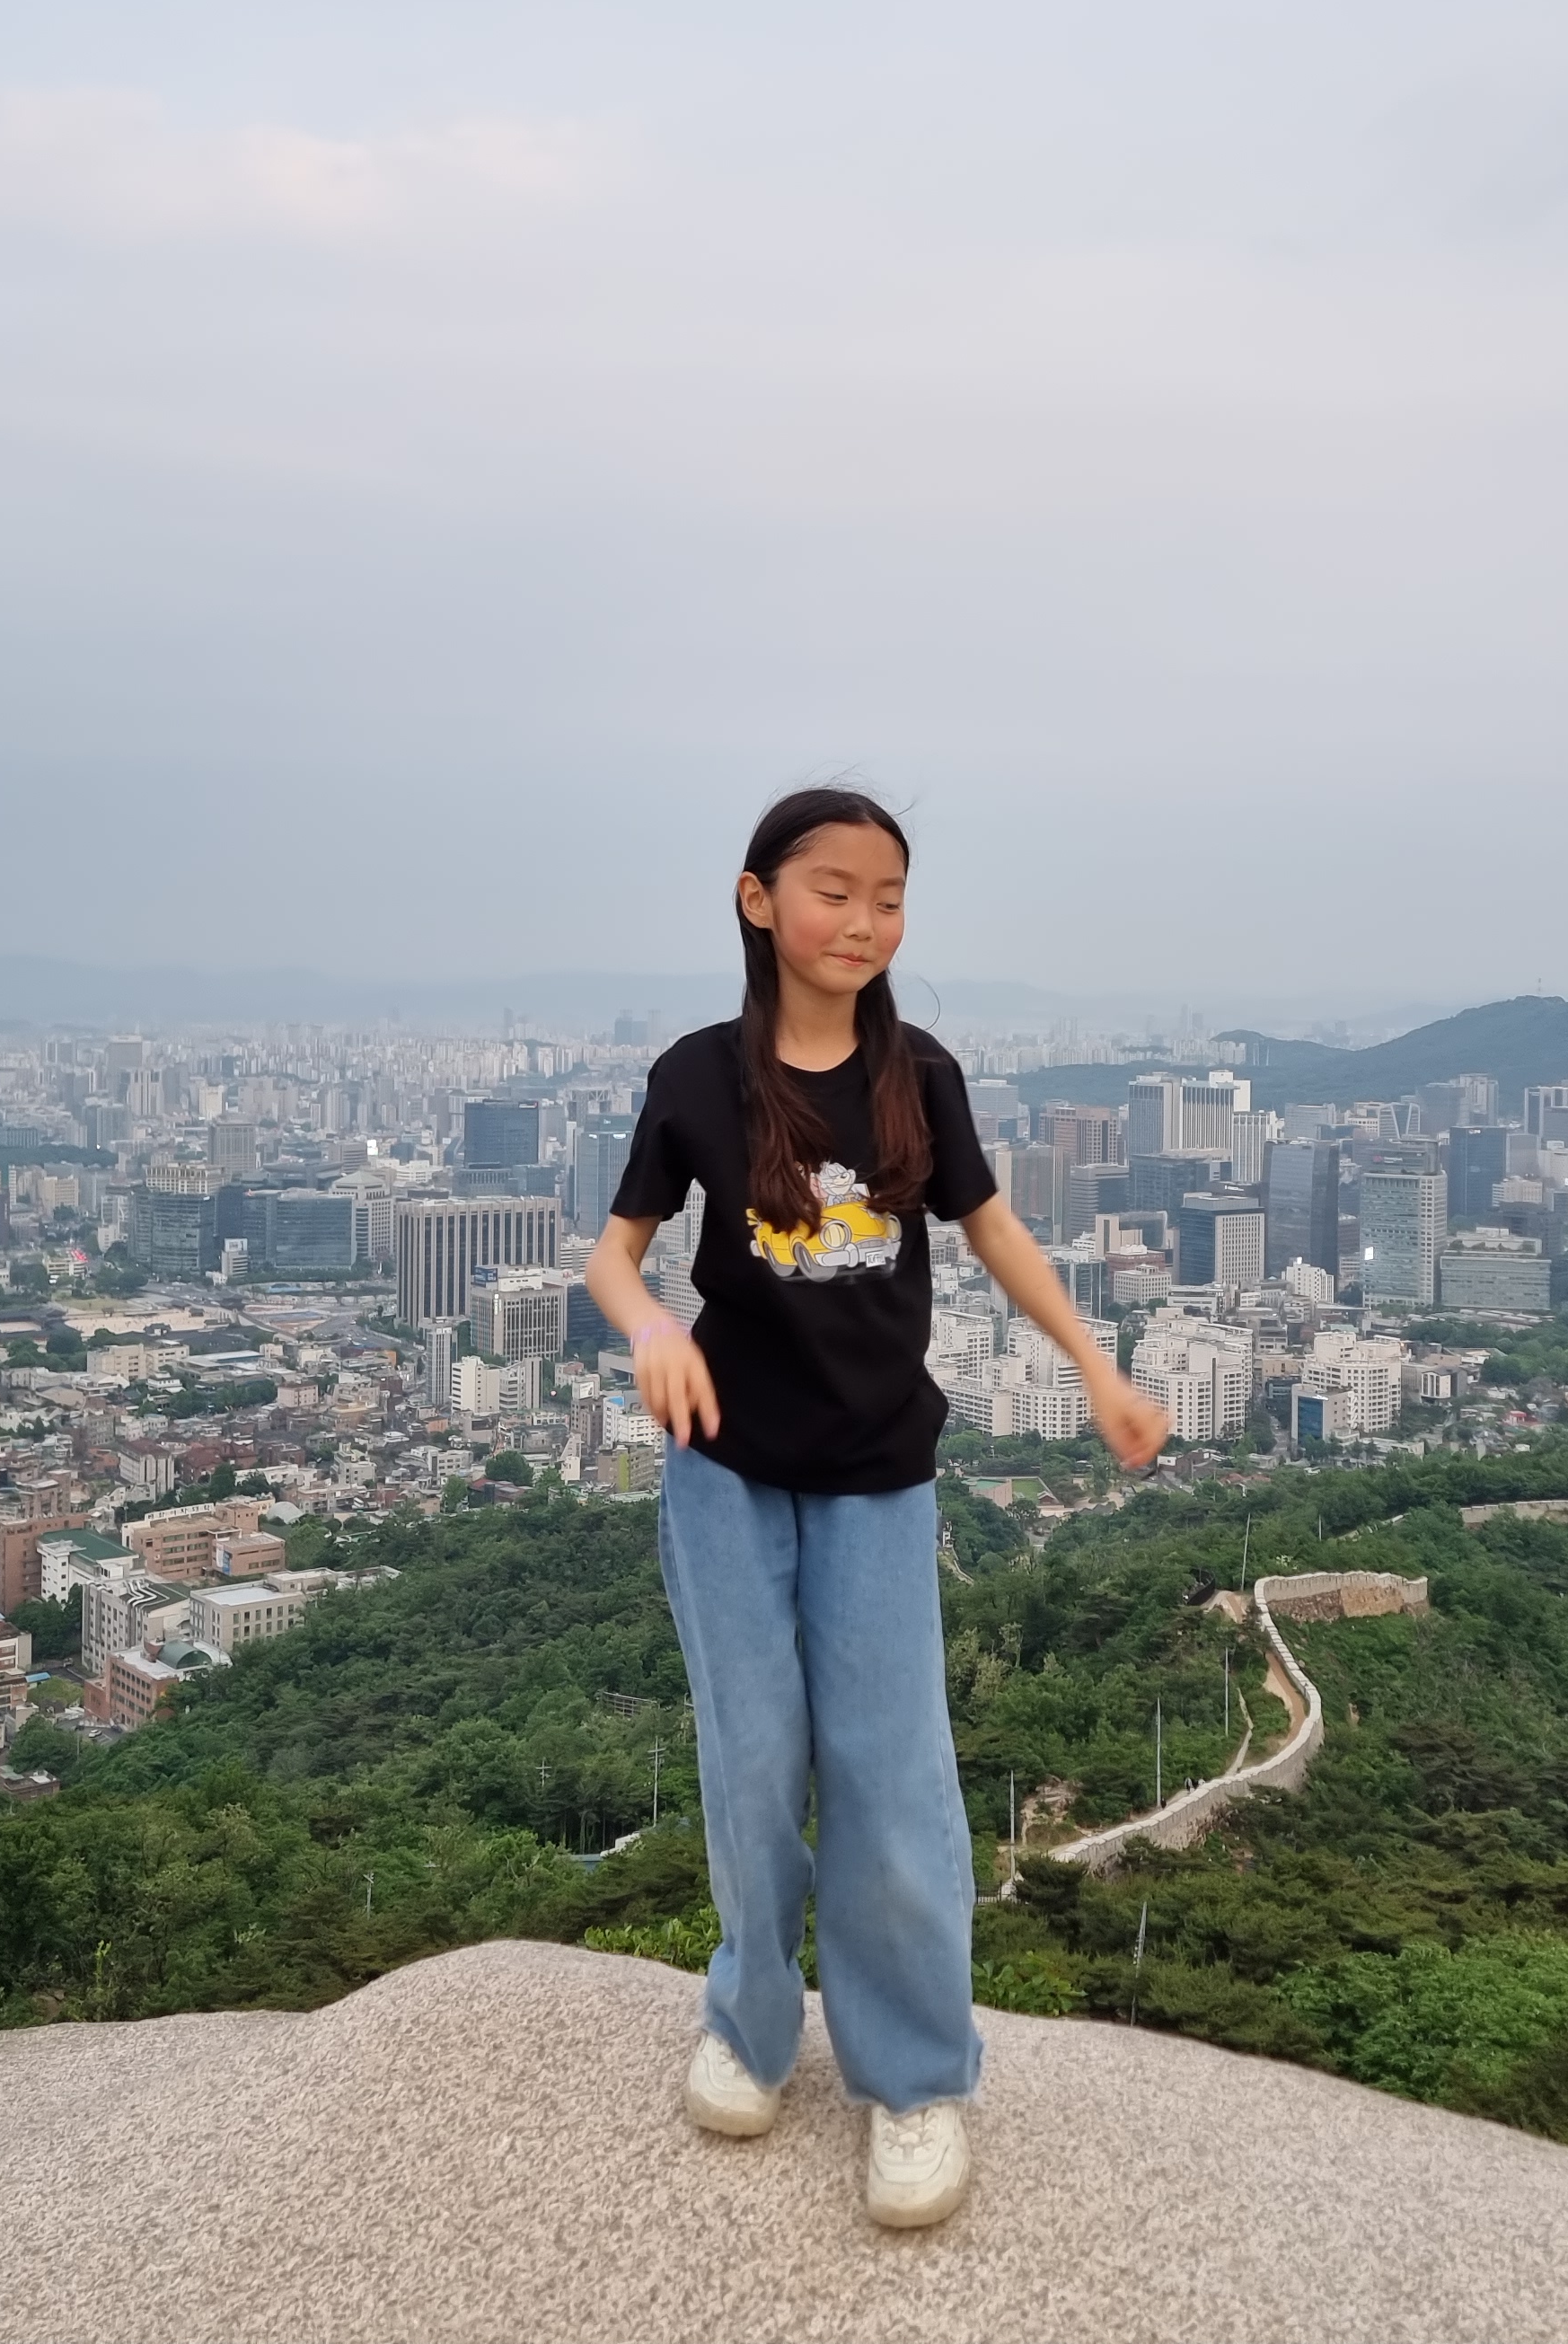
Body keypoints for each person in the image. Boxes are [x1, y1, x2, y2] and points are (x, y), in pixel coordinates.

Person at [584, 787, 1168, 2231]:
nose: (863, 920)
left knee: (891, 1769)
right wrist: (651, 1329)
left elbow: (993, 1229)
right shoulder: (699, 1076)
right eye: (833, 890)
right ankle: (750, 2023)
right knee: (750, 1759)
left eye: (889, 897)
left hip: (878, 1470)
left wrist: (1095, 1364)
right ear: (758, 900)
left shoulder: (920, 1075)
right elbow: (614, 1255)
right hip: (724, 1464)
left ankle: (912, 2077)